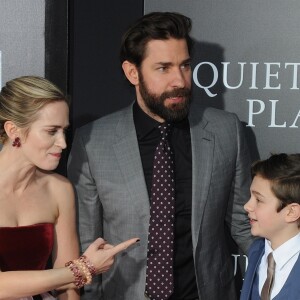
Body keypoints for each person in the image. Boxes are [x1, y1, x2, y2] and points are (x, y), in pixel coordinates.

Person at [68, 12, 253, 300]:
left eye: (185, 66)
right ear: (133, 73)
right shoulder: (93, 142)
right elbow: (88, 243)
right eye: (163, 68)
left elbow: (245, 222)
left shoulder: (225, 130)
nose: (179, 80)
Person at [0, 76, 139, 300]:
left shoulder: (59, 190)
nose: (63, 143)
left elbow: (68, 288)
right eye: (51, 131)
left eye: (64, 130)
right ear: (13, 130)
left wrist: (75, 272)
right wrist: (82, 268)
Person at [240, 153, 300, 300]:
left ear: (291, 212)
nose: (247, 206)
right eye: (250, 197)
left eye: (258, 200)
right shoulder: (257, 251)